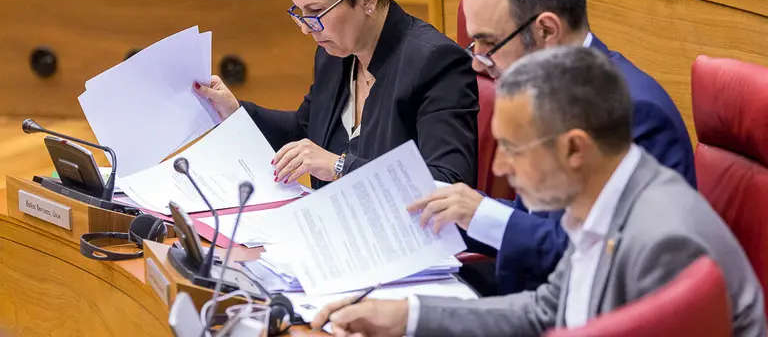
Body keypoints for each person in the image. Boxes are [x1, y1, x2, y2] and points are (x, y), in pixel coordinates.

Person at [312, 46, 765, 337]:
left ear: (574, 149)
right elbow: (547, 311)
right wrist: (406, 316)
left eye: (512, 149)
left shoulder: (663, 243)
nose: (499, 168)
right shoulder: (604, 198)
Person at [408, 0, 696, 295]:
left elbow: (597, 264)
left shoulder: (632, 113)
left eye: (488, 44)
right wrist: (454, 210)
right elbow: (540, 219)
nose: (476, 63)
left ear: (546, 31)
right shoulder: (552, 89)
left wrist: (481, 214)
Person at [194, 0, 478, 190]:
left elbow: (447, 183)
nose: (306, 29)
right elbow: (305, 130)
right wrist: (236, 113)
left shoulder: (436, 63)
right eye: (299, 13)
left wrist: (340, 166)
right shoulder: (334, 54)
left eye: (316, 12)